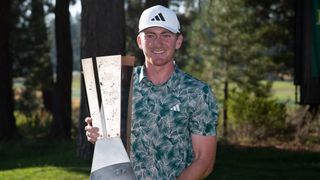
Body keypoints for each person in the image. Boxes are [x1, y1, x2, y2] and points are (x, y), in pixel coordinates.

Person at [85, 5, 218, 180]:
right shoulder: (118, 87)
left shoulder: (197, 93)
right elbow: (110, 147)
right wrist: (98, 137)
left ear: (178, 41)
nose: (158, 43)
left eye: (166, 35)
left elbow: (204, 160)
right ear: (140, 41)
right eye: (150, 36)